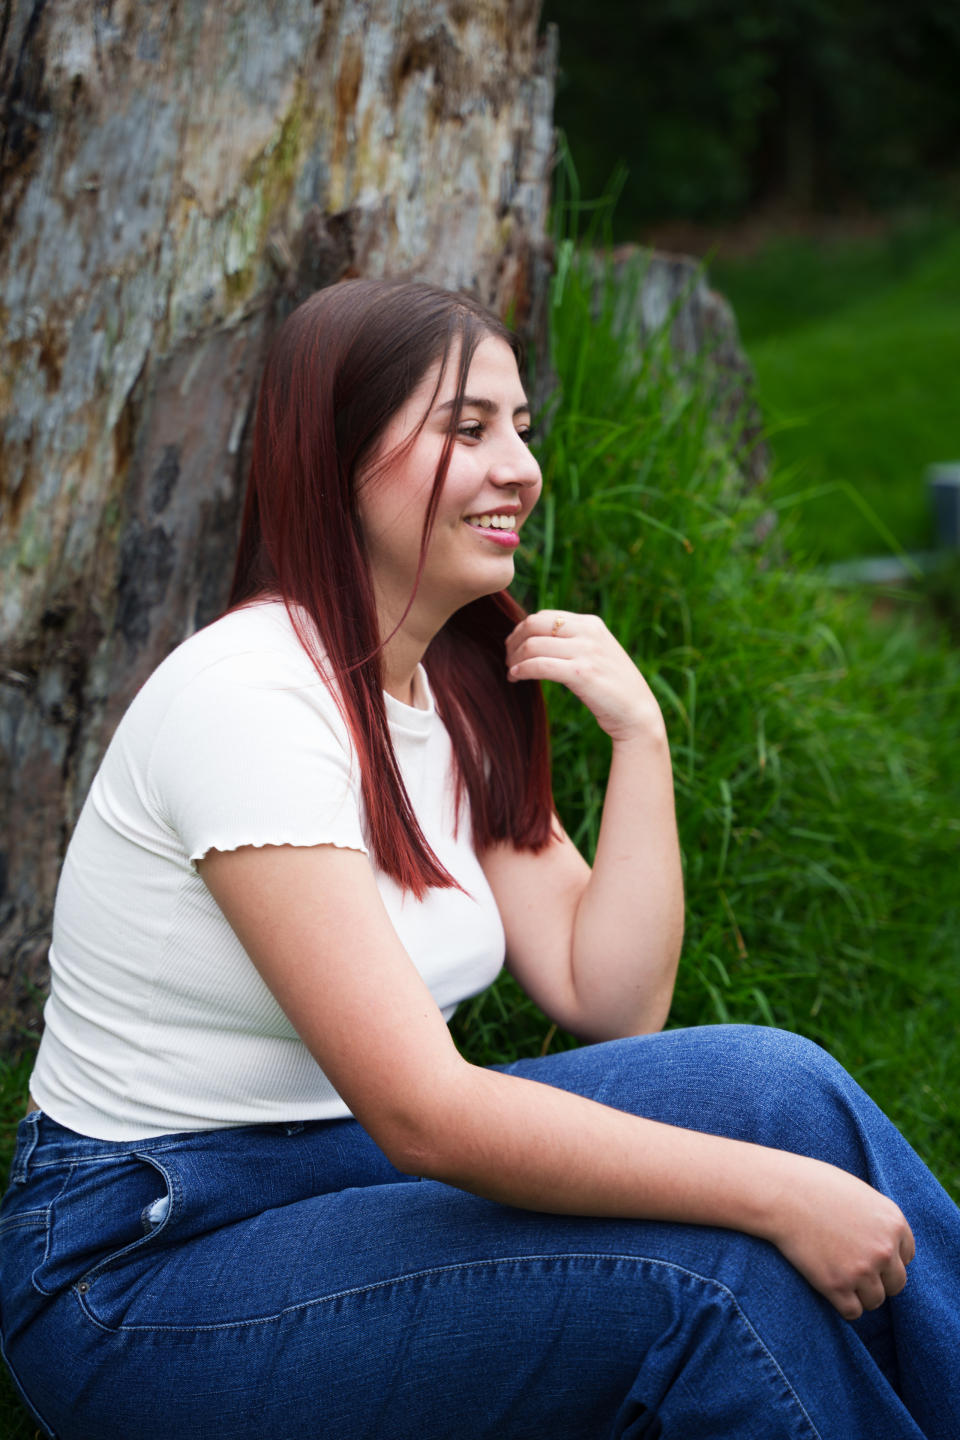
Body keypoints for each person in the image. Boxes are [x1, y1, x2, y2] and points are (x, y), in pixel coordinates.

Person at [1, 279, 958, 1440]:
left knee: (782, 1090)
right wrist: (777, 1196)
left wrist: (640, 738)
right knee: (715, 1283)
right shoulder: (249, 701)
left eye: (521, 426)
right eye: (468, 429)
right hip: (145, 1265)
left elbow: (609, 998)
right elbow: (427, 1115)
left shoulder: (450, 690)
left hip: (341, 1167)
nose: (521, 468)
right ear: (338, 456)